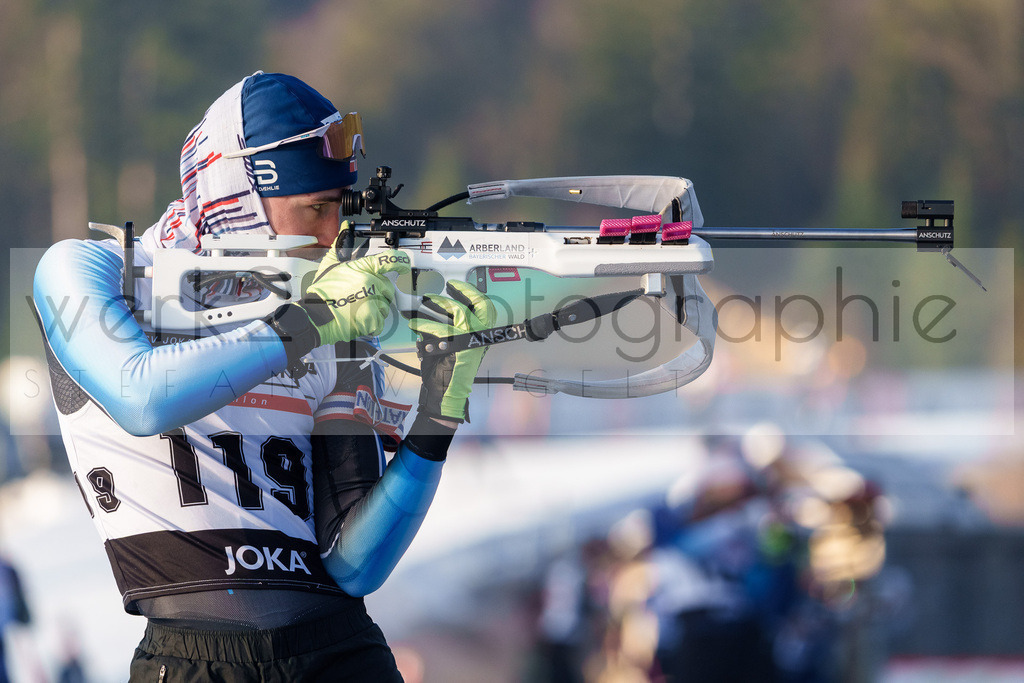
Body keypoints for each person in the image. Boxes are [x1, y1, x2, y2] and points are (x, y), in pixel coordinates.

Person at [33, 71, 495, 680]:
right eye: (317, 209)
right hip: (190, 656)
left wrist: (438, 411)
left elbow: (355, 565)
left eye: (343, 207)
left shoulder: (336, 309)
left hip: (340, 650)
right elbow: (139, 396)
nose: (334, 234)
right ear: (238, 201)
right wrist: (309, 322)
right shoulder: (89, 270)